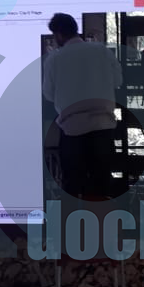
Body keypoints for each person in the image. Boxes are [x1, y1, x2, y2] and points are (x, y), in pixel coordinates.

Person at [42, 13, 122, 199]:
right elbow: (118, 81)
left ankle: (75, 217)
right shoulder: (102, 51)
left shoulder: (54, 59)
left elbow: (48, 94)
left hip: (72, 129)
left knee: (73, 185)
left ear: (58, 34)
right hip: (104, 126)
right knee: (101, 185)